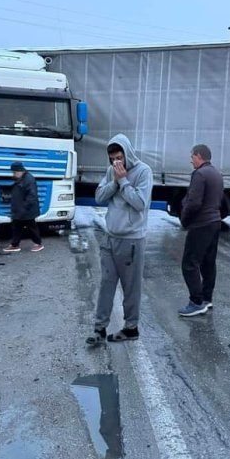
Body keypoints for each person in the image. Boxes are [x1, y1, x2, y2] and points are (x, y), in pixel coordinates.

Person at [86, 134, 153, 345]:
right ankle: (99, 328)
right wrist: (114, 182)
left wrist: (123, 181)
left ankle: (131, 327)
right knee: (106, 283)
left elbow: (140, 203)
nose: (117, 162)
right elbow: (99, 196)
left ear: (127, 153)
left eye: (119, 157)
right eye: (113, 158)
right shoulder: (110, 171)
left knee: (131, 286)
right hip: (110, 237)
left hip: (132, 240)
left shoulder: (143, 171)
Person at [178, 144, 224, 317]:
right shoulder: (216, 173)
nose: (191, 160)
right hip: (214, 222)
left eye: (192, 156)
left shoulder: (199, 174)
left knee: (189, 264)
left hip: (201, 224)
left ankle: (196, 302)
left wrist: (185, 219)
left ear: (199, 156)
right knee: (208, 263)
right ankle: (207, 298)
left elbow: (194, 202)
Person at [3, 161, 43, 253]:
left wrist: (24, 207)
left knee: (31, 226)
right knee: (17, 226)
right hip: (22, 209)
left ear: (20, 171)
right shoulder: (23, 178)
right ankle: (15, 244)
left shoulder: (28, 179)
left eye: (14, 172)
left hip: (26, 210)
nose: (13, 174)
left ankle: (38, 243)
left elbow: (32, 196)